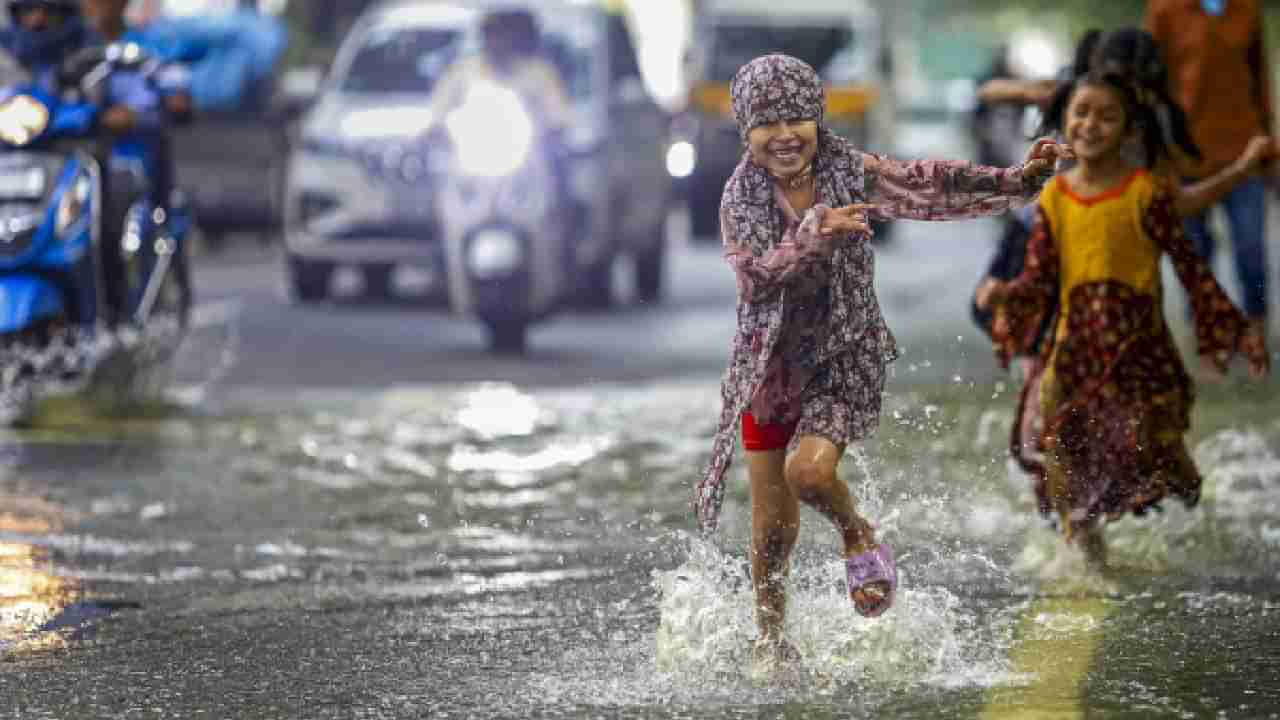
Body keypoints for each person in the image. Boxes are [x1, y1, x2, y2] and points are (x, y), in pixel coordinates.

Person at [692, 54, 1070, 665]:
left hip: (845, 355)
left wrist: (1018, 180)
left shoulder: (849, 170)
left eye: (797, 117)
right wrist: (815, 234)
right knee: (770, 532)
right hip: (770, 371)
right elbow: (758, 280)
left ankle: (855, 532)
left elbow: (928, 183)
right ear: (744, 132)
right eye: (767, 123)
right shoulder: (739, 198)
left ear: (818, 117)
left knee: (809, 474)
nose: (784, 134)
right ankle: (772, 641)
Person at [976, 64, 1269, 567]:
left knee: (1153, 454)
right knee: (1061, 446)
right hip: (1072, 352)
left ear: (1130, 130)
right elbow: (1040, 280)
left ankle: (1173, 506)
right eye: (1081, 113)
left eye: (1106, 117)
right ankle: (1088, 558)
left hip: (1139, 355)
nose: (1090, 126)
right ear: (1064, 121)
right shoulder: (1056, 198)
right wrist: (1005, 295)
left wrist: (1236, 329)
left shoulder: (1145, 193)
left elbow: (1191, 269)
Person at [1146, 0, 1275, 336]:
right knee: (1195, 253)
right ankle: (1205, 336)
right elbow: (1150, 88)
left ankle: (1258, 334)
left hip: (1244, 151)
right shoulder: (1165, 10)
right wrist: (1158, 156)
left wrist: (1271, 149)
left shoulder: (1247, 8)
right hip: (1185, 155)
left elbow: (1261, 82)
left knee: (1251, 249)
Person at [426, 7, 572, 132]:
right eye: (492, 34)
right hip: (473, 146)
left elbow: (557, 113)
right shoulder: (464, 70)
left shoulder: (539, 73)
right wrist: (436, 127)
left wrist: (555, 128)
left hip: (529, 154)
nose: (498, 41)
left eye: (503, 34)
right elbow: (441, 107)